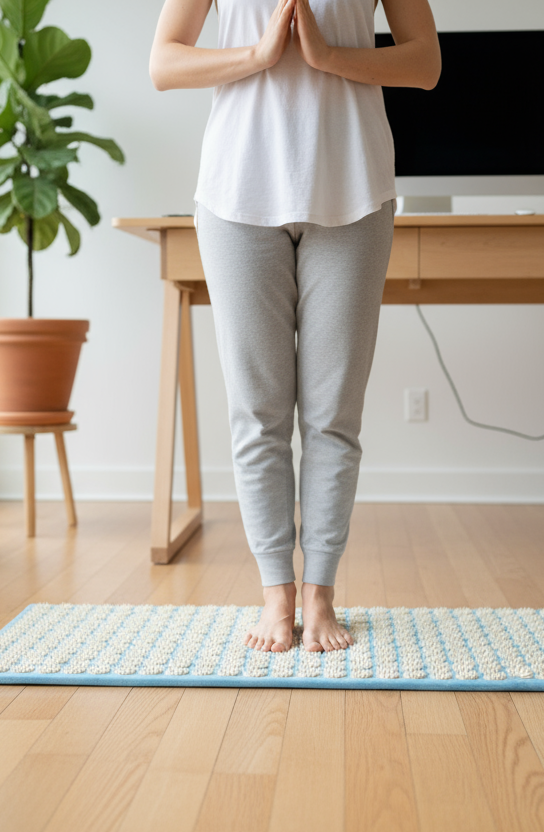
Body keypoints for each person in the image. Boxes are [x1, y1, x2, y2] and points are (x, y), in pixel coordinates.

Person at [150, 0, 440, 653]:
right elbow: (164, 61)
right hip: (237, 197)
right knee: (258, 409)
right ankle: (276, 592)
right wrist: (254, 57)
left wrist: (329, 57)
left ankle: (321, 593)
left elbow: (426, 62)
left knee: (334, 413)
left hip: (355, 192)